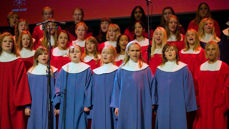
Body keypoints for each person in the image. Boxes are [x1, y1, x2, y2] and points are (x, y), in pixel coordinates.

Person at [110, 41, 154, 129]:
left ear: (140, 52)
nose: (135, 53)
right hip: (125, 104)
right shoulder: (122, 69)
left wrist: (152, 103)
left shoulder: (146, 69)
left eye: (137, 50)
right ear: (128, 52)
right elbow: (117, 89)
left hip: (142, 103)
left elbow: (152, 87)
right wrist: (116, 106)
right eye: (132, 50)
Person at [152, 43, 197, 129]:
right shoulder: (159, 69)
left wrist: (188, 105)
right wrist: (155, 104)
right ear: (164, 54)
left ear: (176, 52)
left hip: (179, 105)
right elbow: (155, 90)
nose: (170, 52)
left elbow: (189, 88)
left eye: (172, 50)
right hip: (162, 106)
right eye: (167, 50)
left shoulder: (183, 69)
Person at [193, 41, 229, 129]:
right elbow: (196, 89)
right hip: (204, 107)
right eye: (208, 50)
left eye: (213, 49)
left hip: (218, 107)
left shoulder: (224, 67)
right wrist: (198, 105)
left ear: (217, 51)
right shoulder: (200, 68)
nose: (211, 52)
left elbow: (227, 88)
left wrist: (224, 106)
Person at [54, 45, 92, 129]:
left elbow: (89, 88)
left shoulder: (86, 69)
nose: (74, 54)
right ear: (69, 55)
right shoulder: (64, 69)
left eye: (77, 52)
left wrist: (87, 104)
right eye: (72, 52)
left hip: (81, 104)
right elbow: (58, 88)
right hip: (66, 104)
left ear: (81, 54)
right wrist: (58, 104)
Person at [0, 32, 31, 129]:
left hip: (14, 99)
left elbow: (22, 84)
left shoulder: (18, 62)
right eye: (5, 41)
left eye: (10, 41)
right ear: (0, 43)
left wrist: (23, 103)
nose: (8, 43)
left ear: (14, 44)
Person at [26, 47, 57, 129]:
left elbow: (57, 90)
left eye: (45, 54)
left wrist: (57, 106)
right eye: (40, 54)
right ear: (36, 57)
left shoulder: (53, 71)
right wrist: (27, 107)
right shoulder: (31, 72)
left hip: (49, 104)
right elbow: (27, 92)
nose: (44, 56)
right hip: (35, 105)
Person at [89, 46, 118, 129]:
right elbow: (92, 91)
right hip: (98, 105)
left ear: (113, 56)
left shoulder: (117, 71)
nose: (105, 55)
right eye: (103, 53)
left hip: (112, 105)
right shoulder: (96, 72)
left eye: (108, 53)